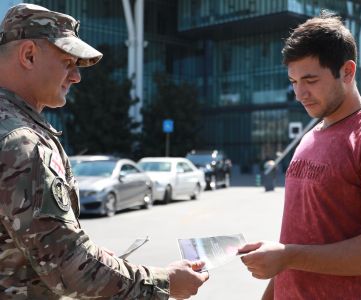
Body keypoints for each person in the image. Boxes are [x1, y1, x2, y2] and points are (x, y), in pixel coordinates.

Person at [0, 4, 208, 299]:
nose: (76, 77)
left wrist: (91, 255)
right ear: (29, 55)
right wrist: (166, 281)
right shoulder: (23, 142)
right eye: (67, 62)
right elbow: (71, 270)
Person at [239, 11, 361, 299]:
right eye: (293, 81)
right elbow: (295, 242)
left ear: (347, 71)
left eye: (310, 80)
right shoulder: (310, 137)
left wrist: (287, 256)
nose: (300, 94)